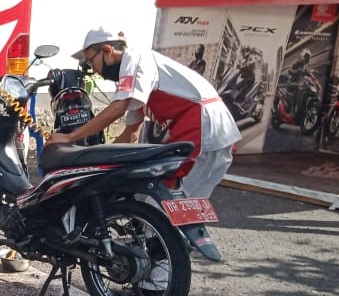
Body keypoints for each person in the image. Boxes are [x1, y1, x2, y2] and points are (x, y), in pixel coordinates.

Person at [46, 28, 241, 200]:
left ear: (107, 51)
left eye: (91, 62)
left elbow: (118, 108)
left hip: (202, 126)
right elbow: (130, 134)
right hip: (218, 129)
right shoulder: (136, 77)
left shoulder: (133, 60)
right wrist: (95, 164)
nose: (93, 70)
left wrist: (70, 137)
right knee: (188, 204)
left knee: (164, 204)